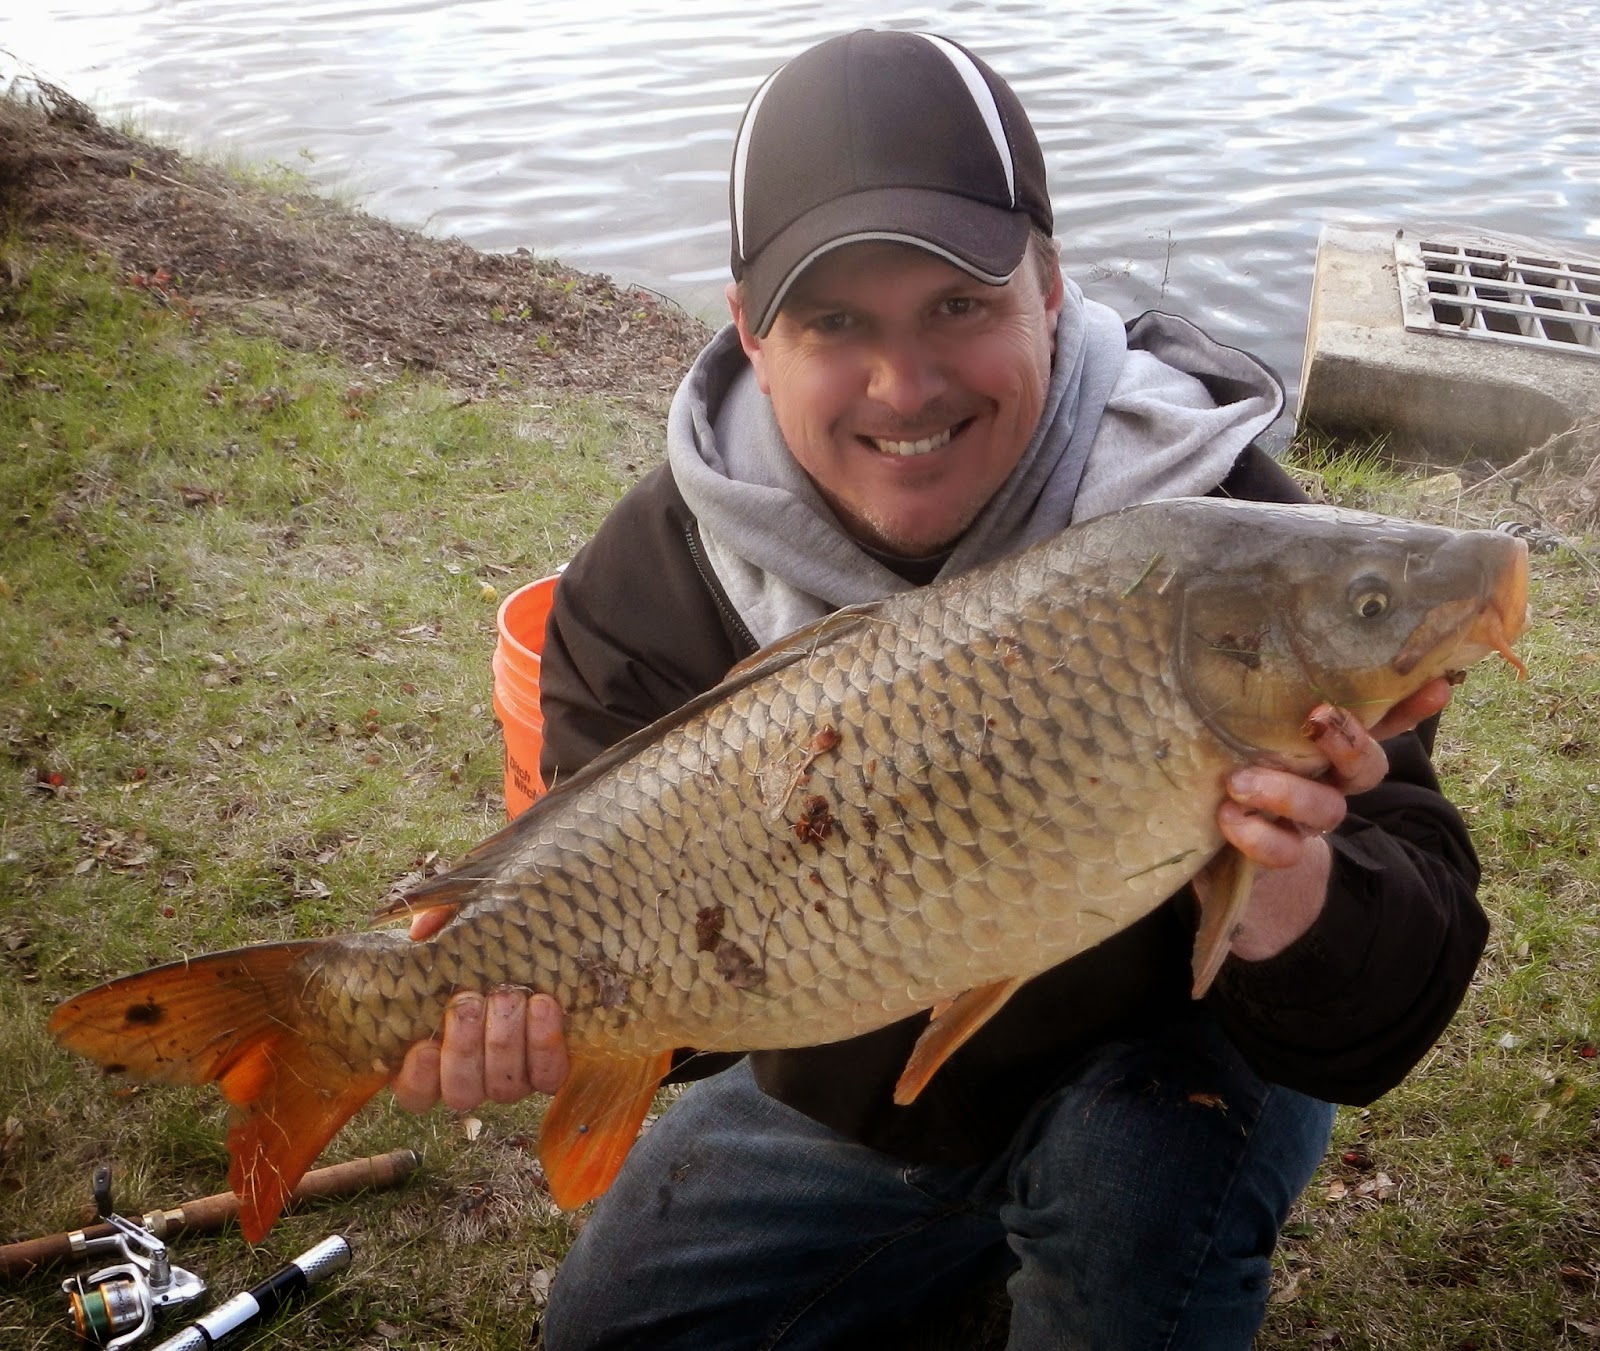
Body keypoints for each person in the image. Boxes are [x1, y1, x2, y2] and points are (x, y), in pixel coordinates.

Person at [393, 30, 1486, 1349]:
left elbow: (1393, 996)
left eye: (959, 307)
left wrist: (1290, 893)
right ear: (750, 330)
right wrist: (551, 1010)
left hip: (1168, 1064)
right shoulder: (649, 581)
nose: (904, 387)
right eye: (837, 324)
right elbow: (676, 1017)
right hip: (857, 1089)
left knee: (1135, 1204)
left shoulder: (1221, 542)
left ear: (1049, 286)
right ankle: (942, 1236)